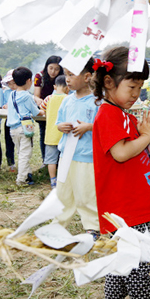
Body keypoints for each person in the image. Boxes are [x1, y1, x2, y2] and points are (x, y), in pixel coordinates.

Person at [92, 46, 150, 299]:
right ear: (109, 82)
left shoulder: (122, 114)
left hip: (130, 203)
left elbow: (140, 153)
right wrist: (146, 135)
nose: (137, 93)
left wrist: (147, 136)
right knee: (138, 267)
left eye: (140, 87)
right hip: (125, 209)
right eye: (132, 87)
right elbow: (121, 153)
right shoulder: (109, 114)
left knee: (122, 265)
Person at [53, 59, 99, 236]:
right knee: (62, 192)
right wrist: (61, 126)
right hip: (66, 155)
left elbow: (103, 126)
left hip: (86, 156)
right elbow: (58, 122)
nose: (67, 79)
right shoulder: (66, 101)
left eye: (71, 74)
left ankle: (92, 226)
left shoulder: (97, 101)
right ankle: (58, 224)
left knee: (86, 193)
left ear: (87, 77)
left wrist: (89, 126)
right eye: (66, 74)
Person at [6, 67, 45, 186]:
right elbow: (35, 111)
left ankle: (27, 175)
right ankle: (21, 180)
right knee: (25, 154)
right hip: (24, 129)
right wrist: (42, 111)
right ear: (29, 81)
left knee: (20, 153)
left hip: (13, 129)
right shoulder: (27, 96)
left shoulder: (12, 94)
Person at [34, 55, 63, 162]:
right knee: (43, 132)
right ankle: (45, 160)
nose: (53, 71)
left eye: (56, 69)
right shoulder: (39, 76)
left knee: (59, 133)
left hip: (58, 108)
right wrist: (38, 100)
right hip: (45, 108)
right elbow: (36, 95)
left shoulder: (63, 78)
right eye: (51, 68)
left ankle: (59, 161)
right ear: (46, 66)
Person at [43, 75, 68, 188]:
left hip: (50, 135)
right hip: (64, 134)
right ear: (68, 88)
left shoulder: (48, 98)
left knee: (51, 160)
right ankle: (63, 179)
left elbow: (42, 110)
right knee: (64, 158)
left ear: (54, 86)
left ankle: (53, 180)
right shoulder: (68, 99)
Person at [1, 70, 16, 172]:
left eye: (14, 83)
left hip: (20, 122)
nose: (12, 85)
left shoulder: (23, 92)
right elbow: (2, 104)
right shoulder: (6, 92)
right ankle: (11, 163)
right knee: (8, 142)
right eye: (9, 83)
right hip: (8, 120)